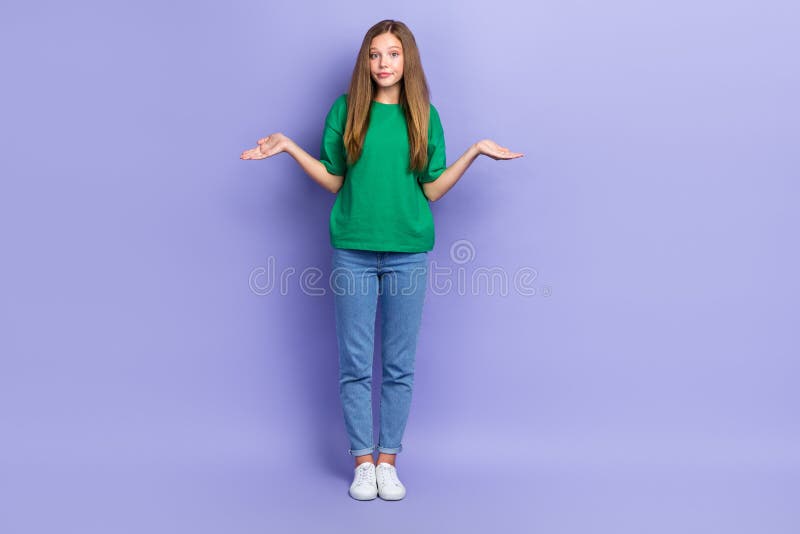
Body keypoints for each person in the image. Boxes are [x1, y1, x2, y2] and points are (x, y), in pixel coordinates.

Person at [240, 19, 523, 501]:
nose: (383, 63)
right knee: (354, 363)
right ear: (365, 62)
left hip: (408, 254)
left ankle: (388, 460)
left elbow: (431, 188)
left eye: (392, 54)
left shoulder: (423, 115)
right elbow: (334, 179)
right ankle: (362, 462)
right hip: (352, 251)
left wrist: (474, 151)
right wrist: (288, 146)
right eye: (375, 55)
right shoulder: (347, 110)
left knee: (398, 364)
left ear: (407, 59)